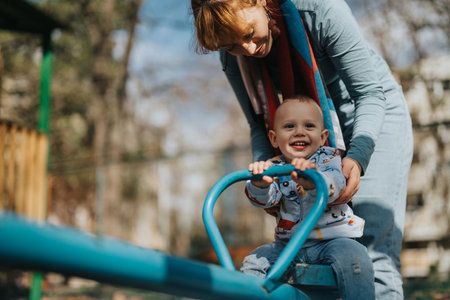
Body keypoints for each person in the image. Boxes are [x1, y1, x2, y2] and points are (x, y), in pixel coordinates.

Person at [191, 0, 413, 299]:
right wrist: (267, 174)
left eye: (249, 33)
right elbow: (260, 125)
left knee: (371, 248)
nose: (248, 49)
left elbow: (369, 93)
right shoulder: (234, 56)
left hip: (372, 115)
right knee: (311, 250)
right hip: (306, 127)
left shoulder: (320, 11)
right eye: (231, 45)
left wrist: (357, 158)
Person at [243, 96, 374, 299]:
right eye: (289, 126)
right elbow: (268, 199)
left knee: (356, 258)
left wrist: (313, 181)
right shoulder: (275, 167)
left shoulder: (329, 158)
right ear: (274, 138)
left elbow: (336, 184)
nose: (299, 132)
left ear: (323, 137)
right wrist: (261, 184)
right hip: (289, 245)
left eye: (309, 126)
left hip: (333, 240)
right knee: (254, 262)